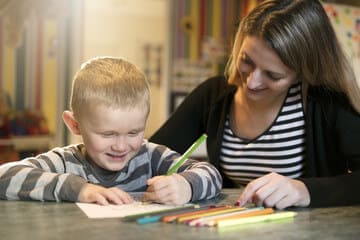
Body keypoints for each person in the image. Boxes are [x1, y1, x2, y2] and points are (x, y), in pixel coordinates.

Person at [150, 0, 360, 209]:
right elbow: (146, 159)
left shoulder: (328, 102)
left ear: (302, 73)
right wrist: (187, 183)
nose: (252, 81)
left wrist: (304, 191)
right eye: (247, 61)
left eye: (273, 75)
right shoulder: (213, 95)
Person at [0, 57, 222, 205]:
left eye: (134, 132)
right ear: (74, 124)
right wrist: (79, 190)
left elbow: (211, 173)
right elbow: (4, 176)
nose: (121, 146)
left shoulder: (150, 156)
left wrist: (185, 185)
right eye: (108, 134)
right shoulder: (65, 162)